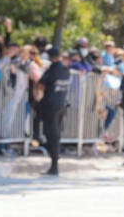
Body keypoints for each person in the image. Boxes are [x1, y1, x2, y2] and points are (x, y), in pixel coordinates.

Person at [38, 46, 70, 176]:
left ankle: (54, 166)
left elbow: (41, 83)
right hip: (62, 105)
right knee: (56, 135)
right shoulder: (65, 69)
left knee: (51, 135)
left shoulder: (52, 70)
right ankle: (54, 164)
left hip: (51, 106)